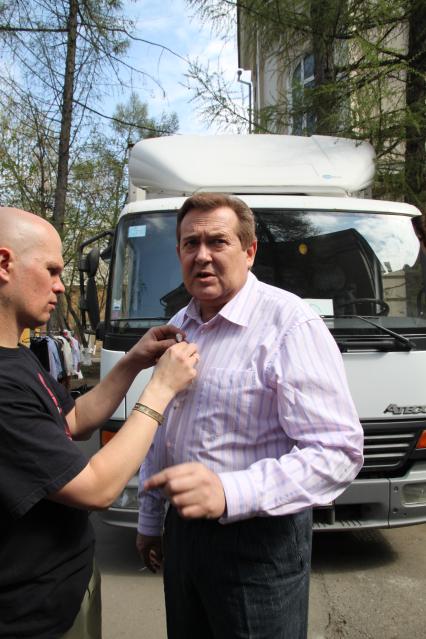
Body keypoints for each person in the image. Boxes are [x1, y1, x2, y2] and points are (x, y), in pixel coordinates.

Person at [137, 193, 364, 639]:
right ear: (179, 252)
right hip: (182, 535)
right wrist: (150, 519)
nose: (202, 255)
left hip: (259, 542)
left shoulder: (290, 324)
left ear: (249, 250)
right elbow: (162, 427)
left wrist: (229, 491)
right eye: (190, 243)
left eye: (217, 241)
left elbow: (338, 451)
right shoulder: (180, 323)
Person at [0, 207, 199, 639]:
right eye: (51, 270)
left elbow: (73, 421)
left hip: (64, 588)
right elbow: (97, 488)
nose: (59, 285)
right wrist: (160, 389)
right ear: (4, 263)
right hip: (31, 617)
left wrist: (132, 361)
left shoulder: (17, 357)